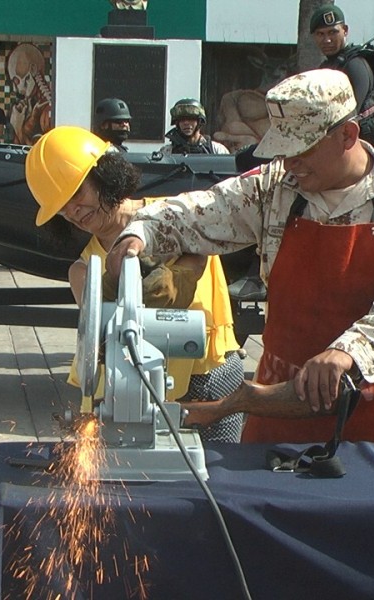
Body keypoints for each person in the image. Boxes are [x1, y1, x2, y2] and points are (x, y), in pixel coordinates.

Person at [107, 69, 374, 444]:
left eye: (302, 151)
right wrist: (141, 232)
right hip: (277, 406)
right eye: (282, 152)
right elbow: (202, 210)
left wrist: (348, 351)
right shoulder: (274, 187)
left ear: (347, 135)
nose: (289, 164)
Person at [26, 126, 245, 443]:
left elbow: (196, 260)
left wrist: (172, 282)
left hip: (208, 375)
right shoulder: (84, 269)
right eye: (60, 206)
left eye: (76, 194)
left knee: (220, 474)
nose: (71, 211)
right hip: (128, 389)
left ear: (103, 176)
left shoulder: (177, 215)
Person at [310, 4, 374, 153]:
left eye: (333, 32)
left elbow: (349, 115)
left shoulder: (355, 65)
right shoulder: (329, 64)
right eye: (321, 34)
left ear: (345, 31)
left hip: (361, 152)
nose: (327, 40)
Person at [159, 98, 230, 156]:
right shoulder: (167, 152)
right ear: (177, 123)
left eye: (191, 118)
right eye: (182, 119)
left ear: (199, 122)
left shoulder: (216, 150)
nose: (186, 123)